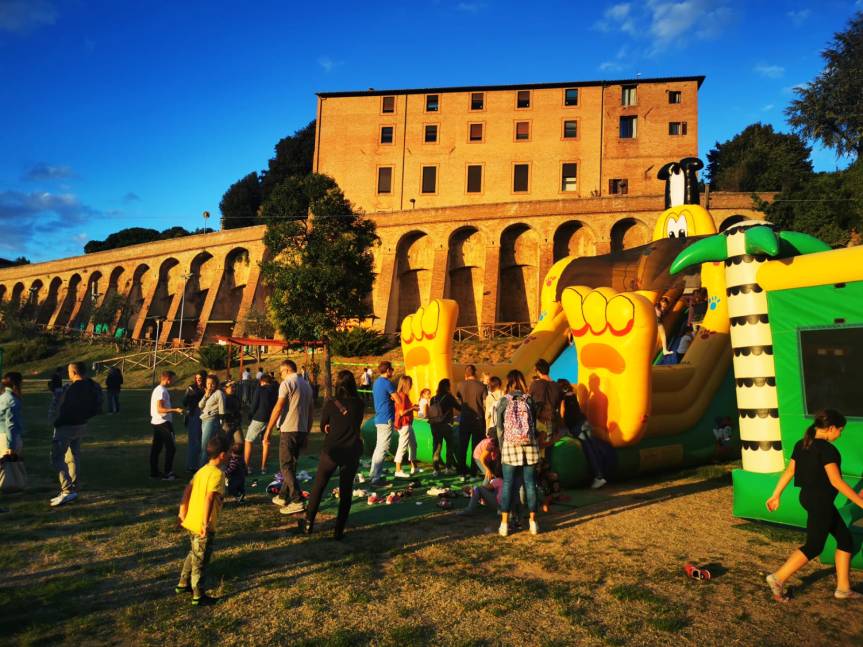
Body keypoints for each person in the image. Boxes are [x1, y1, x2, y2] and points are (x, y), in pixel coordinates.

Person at [765, 410, 863, 601]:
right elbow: (836, 481)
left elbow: (790, 471)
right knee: (814, 546)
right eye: (840, 430)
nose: (840, 435)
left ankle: (843, 589)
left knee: (845, 539)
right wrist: (860, 501)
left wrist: (775, 495)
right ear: (832, 428)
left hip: (809, 498)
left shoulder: (802, 444)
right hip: (820, 501)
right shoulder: (827, 449)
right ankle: (778, 577)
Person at [299, 370, 365, 540]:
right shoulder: (360, 404)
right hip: (351, 451)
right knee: (346, 490)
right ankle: (339, 530)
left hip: (332, 450)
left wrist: (327, 427)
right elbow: (355, 424)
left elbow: (323, 426)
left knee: (319, 486)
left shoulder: (330, 404)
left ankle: (308, 522)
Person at [176, 435, 228, 606]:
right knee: (201, 560)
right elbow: (209, 498)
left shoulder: (201, 470)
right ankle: (198, 594)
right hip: (202, 525)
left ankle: (183, 583)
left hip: (191, 520)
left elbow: (188, 489)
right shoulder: (218, 474)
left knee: (193, 552)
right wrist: (205, 523)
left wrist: (182, 511)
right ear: (222, 455)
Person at [49, 362, 103, 507]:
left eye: (69, 371)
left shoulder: (73, 389)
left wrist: (58, 422)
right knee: (73, 455)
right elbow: (97, 406)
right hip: (81, 424)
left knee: (57, 457)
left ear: (73, 372)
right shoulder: (91, 385)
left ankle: (67, 490)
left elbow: (66, 409)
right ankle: (73, 486)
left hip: (67, 425)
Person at [265, 359, 314, 515]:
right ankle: (283, 495)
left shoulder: (286, 383)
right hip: (301, 429)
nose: (280, 376)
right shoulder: (307, 385)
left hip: (289, 429)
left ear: (286, 370)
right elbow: (311, 411)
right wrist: (307, 432)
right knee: (291, 465)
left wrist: (268, 430)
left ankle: (297, 499)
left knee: (285, 465)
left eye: (280, 373)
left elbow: (278, 407)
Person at [495, 369, 540, 536]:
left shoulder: (503, 401)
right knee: (530, 484)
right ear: (522, 382)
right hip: (529, 446)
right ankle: (533, 522)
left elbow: (499, 429)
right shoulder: (529, 400)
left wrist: (502, 448)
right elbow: (533, 426)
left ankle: (504, 524)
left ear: (508, 382)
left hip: (509, 446)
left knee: (508, 484)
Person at [559, 379, 606, 489]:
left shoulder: (563, 398)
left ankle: (598, 476)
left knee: (588, 451)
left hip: (576, 426)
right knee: (594, 448)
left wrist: (564, 426)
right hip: (584, 422)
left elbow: (563, 412)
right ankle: (602, 474)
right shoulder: (573, 395)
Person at [150, 370, 184, 480]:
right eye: (173, 379)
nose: (174, 381)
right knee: (171, 448)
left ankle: (154, 473)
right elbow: (160, 409)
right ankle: (168, 473)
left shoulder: (159, 390)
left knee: (157, 448)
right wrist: (175, 410)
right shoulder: (161, 391)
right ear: (168, 379)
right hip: (163, 422)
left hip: (157, 422)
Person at [456, 365, 488, 478]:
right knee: (476, 447)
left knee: (462, 446)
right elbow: (485, 404)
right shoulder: (482, 386)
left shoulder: (460, 385)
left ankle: (461, 471)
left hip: (464, 418)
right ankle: (474, 471)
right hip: (477, 419)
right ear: (475, 373)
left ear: (466, 374)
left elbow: (459, 400)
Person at [369, 361, 396, 486]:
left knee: (378, 447)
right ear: (388, 370)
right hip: (386, 418)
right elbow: (399, 400)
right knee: (383, 449)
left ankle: (372, 474)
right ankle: (376, 478)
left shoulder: (376, 382)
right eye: (392, 369)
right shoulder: (387, 383)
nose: (393, 372)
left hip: (379, 418)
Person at [245, 373, 278, 473]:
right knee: (266, 442)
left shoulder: (260, 389)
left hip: (259, 417)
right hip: (270, 419)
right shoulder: (275, 390)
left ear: (262, 382)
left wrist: (250, 415)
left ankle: (246, 466)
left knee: (248, 440)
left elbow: (254, 404)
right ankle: (264, 467)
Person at [429, 378, 461, 476]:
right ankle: (448, 467)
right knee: (449, 446)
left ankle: (436, 469)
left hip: (434, 425)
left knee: (437, 446)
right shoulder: (449, 397)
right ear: (447, 386)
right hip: (446, 425)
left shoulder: (433, 398)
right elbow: (458, 408)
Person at [529, 359, 563, 442]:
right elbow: (562, 408)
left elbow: (529, 404)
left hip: (539, 423)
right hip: (554, 421)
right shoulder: (558, 386)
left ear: (538, 371)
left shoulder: (534, 385)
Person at [392, 375, 420, 478]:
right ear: (406, 384)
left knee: (413, 444)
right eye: (410, 383)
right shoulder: (402, 396)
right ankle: (398, 469)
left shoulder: (404, 395)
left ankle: (414, 466)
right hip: (404, 424)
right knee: (402, 446)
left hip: (407, 424)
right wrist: (412, 408)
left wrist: (413, 407)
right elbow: (402, 412)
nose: (412, 385)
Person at [198, 375, 226, 468]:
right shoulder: (207, 393)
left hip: (212, 420)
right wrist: (206, 395)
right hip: (204, 420)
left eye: (212, 384)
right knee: (206, 447)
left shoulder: (219, 393)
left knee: (205, 448)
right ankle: (206, 469)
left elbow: (222, 409)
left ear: (216, 384)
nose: (210, 386)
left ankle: (201, 471)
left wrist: (221, 422)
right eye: (208, 383)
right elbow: (200, 406)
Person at [182, 371, 207, 475]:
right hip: (194, 414)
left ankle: (200, 464)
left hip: (204, 414)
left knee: (203, 441)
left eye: (200, 378)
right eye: (196, 378)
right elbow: (184, 402)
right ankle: (192, 466)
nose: (198, 380)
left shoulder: (207, 388)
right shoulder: (191, 388)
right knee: (194, 441)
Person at [484, 376, 503, 443]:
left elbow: (487, 416)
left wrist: (487, 430)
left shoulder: (489, 397)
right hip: (505, 426)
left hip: (494, 427)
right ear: (500, 384)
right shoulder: (506, 394)